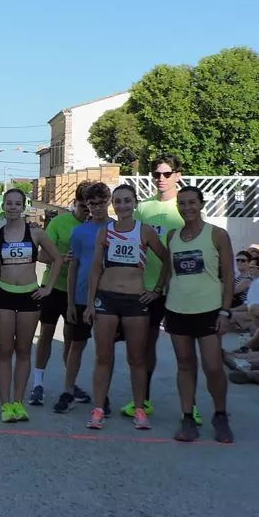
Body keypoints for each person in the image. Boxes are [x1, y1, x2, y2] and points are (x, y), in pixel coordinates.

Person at [83, 184, 168, 430]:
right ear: (113, 204)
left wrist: (156, 290)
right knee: (103, 356)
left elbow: (167, 260)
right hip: (106, 298)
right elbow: (96, 269)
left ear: (135, 203)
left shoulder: (145, 231)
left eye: (127, 201)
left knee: (137, 358)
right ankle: (98, 409)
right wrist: (90, 304)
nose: (122, 206)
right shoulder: (105, 232)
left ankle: (140, 409)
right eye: (118, 201)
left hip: (135, 300)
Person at [159, 185, 235, 443]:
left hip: (209, 310)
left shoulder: (217, 234)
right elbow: (170, 274)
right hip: (177, 309)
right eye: (182, 203)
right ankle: (187, 417)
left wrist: (225, 312)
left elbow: (229, 276)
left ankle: (220, 414)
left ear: (201, 204)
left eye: (192, 202)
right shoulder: (172, 236)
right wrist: (164, 302)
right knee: (184, 364)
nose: (187, 208)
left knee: (213, 366)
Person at [0, 188, 62, 423]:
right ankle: (5, 404)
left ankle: (18, 402)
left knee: (24, 350)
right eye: (9, 203)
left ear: (24, 206)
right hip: (5, 297)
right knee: (4, 351)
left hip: (30, 296)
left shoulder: (36, 233)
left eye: (17, 204)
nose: (13, 208)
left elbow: (57, 258)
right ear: (3, 206)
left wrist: (48, 287)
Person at [127, 152, 186, 419]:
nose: (161, 178)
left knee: (184, 351)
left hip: (177, 289)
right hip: (146, 289)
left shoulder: (184, 206)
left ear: (177, 175)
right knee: (145, 346)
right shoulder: (144, 208)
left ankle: (190, 407)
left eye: (166, 173)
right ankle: (144, 400)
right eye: (156, 174)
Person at [30, 183, 91, 405]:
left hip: (78, 291)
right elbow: (42, 256)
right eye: (83, 207)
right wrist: (62, 258)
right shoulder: (59, 222)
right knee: (46, 334)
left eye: (91, 207)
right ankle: (38, 383)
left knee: (71, 340)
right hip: (53, 286)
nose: (87, 212)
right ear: (75, 203)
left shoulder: (95, 226)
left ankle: (70, 385)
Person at [53, 182, 106, 413]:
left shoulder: (116, 229)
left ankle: (102, 396)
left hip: (108, 298)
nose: (96, 207)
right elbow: (73, 268)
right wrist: (70, 303)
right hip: (82, 297)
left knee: (104, 350)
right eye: (91, 204)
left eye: (101, 202)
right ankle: (68, 391)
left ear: (108, 202)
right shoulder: (80, 232)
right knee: (76, 345)